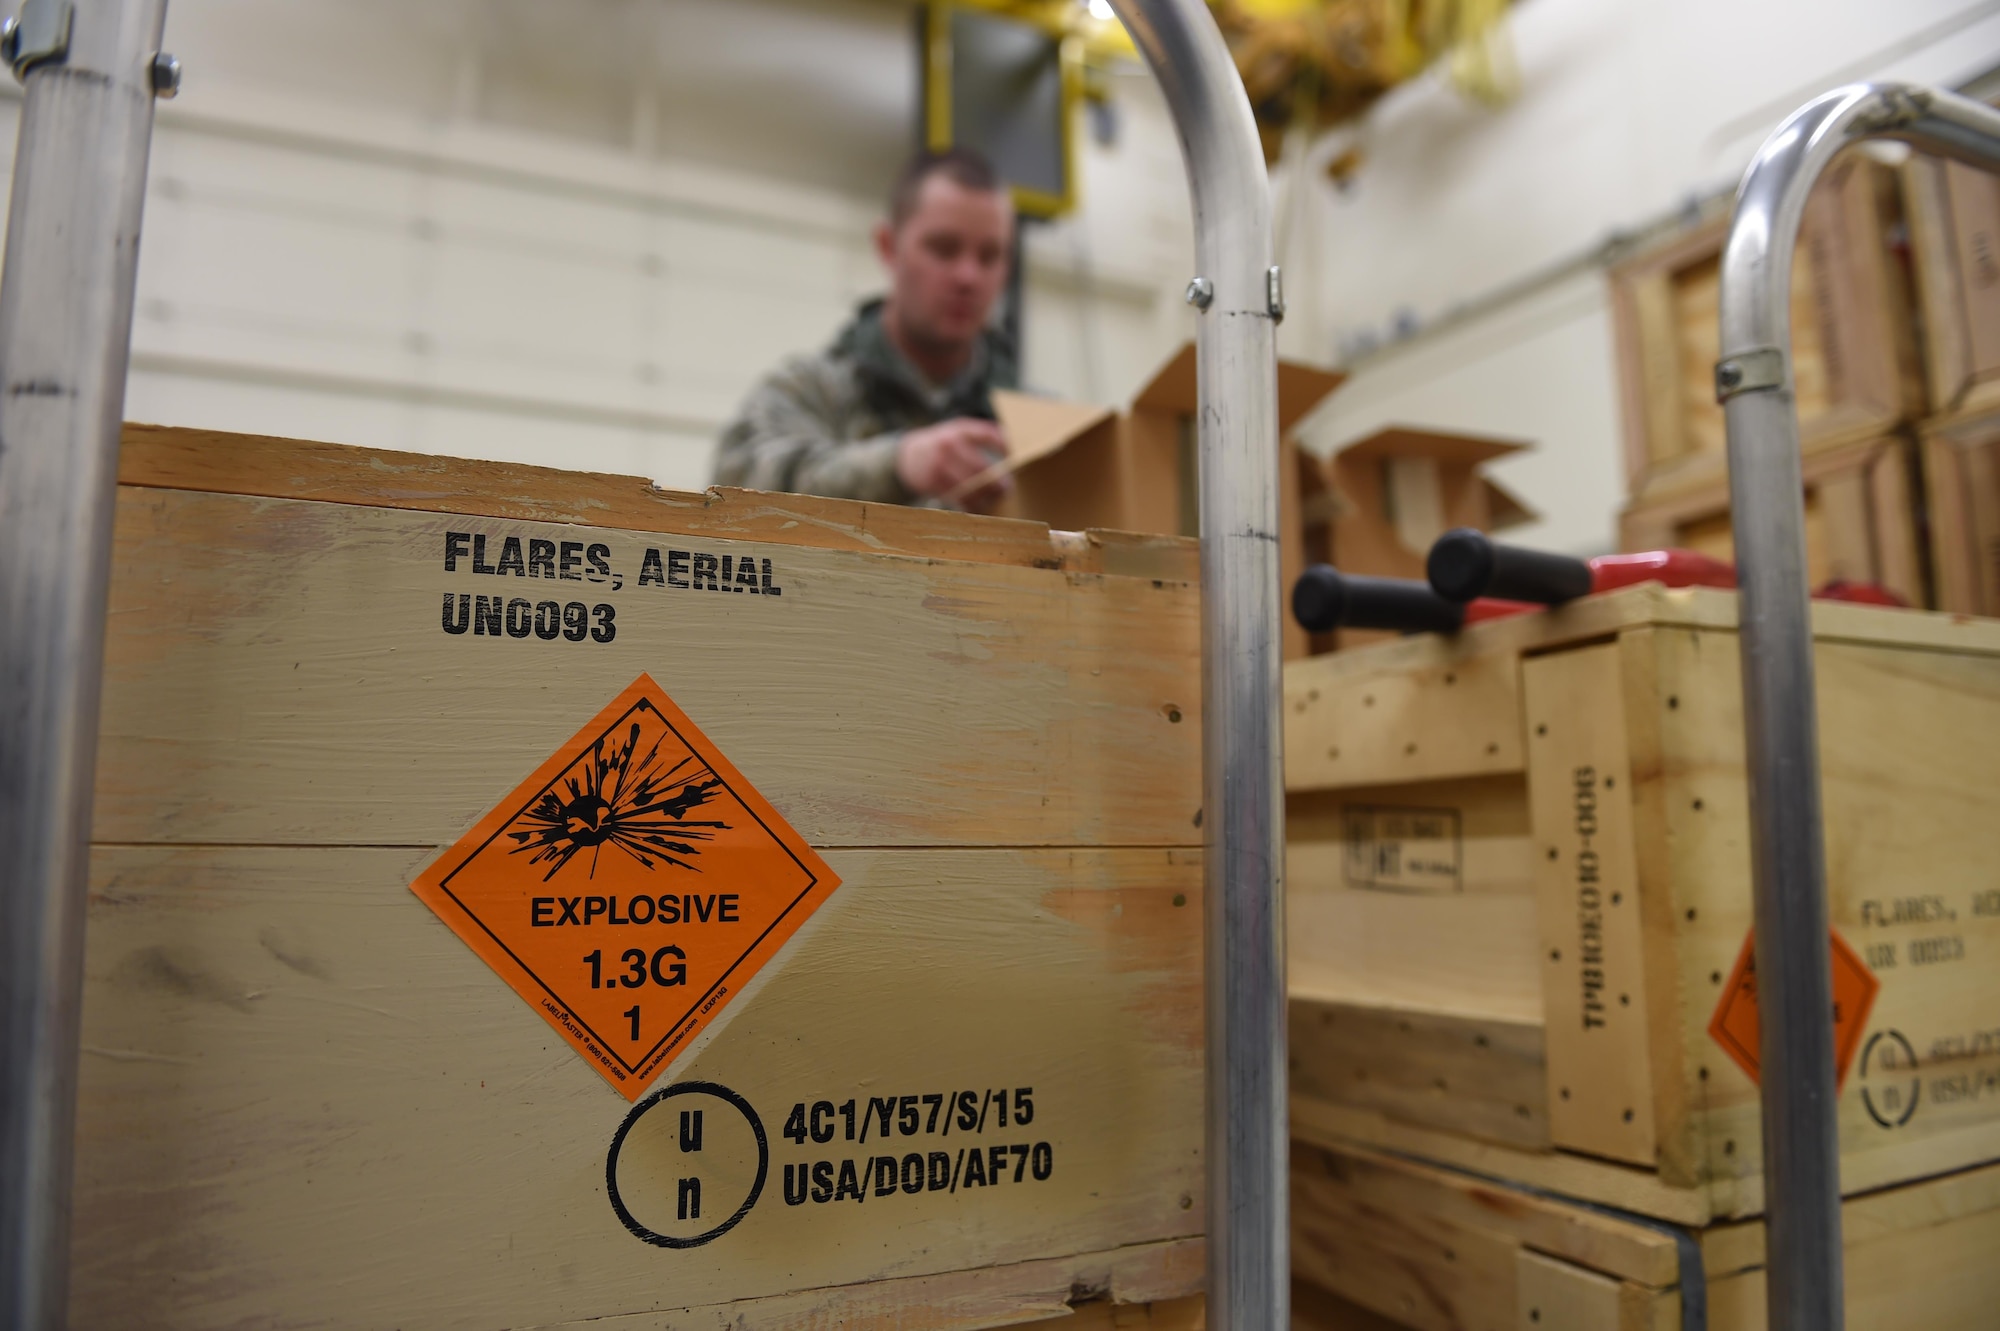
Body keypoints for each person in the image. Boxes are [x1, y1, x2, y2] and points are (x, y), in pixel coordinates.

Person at [712, 148, 1018, 512]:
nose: (968, 276)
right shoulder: (810, 391)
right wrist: (897, 465)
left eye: (989, 256)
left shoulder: (1031, 425)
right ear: (889, 247)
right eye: (944, 249)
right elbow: (731, 494)